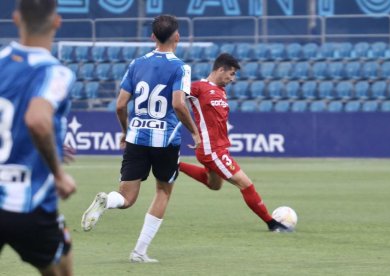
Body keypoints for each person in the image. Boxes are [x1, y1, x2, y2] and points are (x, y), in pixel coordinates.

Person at [81, 14, 201, 263]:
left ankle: (107, 200)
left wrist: (126, 130)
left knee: (126, 198)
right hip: (165, 141)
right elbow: (179, 104)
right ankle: (139, 252)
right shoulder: (181, 67)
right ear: (177, 36)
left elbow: (120, 105)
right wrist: (195, 131)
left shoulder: (137, 63)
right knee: (163, 192)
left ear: (153, 37)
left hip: (137, 137)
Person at [0, 0, 77, 275]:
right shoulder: (55, 72)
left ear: (16, 18)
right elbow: (37, 120)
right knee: (60, 268)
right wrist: (58, 172)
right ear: (57, 21)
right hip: (27, 202)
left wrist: (51, 145)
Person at [180, 53, 290, 232]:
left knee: (214, 185)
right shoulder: (198, 88)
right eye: (231, 74)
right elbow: (176, 101)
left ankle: (175, 164)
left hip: (218, 149)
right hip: (212, 151)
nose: (233, 79)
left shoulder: (221, 91)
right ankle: (272, 223)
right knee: (245, 184)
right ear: (220, 69)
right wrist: (193, 131)